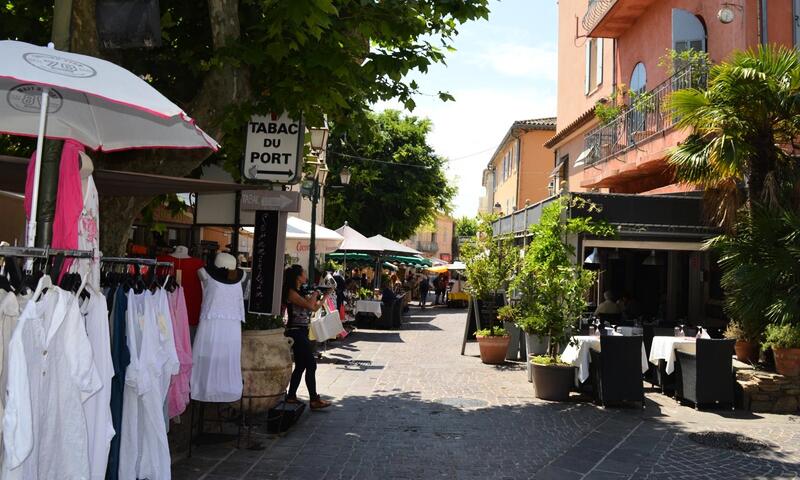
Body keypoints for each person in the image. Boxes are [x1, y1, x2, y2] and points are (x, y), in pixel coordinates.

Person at [282, 265, 332, 410]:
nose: (306, 275)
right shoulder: (291, 293)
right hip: (295, 331)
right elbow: (310, 305)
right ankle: (314, 399)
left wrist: (326, 296)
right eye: (304, 272)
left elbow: (315, 308)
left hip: (302, 330)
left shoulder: (300, 291)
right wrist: (316, 293)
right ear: (298, 276)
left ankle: (291, 396)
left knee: (301, 365)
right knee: (311, 364)